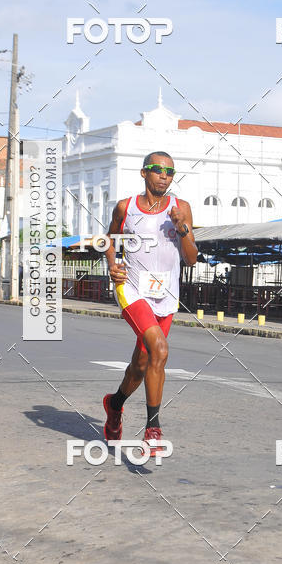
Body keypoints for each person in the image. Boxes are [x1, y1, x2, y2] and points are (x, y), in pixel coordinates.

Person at [102, 151, 197, 455]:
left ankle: (114, 404)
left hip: (166, 295)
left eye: (170, 171)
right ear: (144, 173)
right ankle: (153, 429)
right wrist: (112, 265)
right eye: (158, 170)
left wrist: (181, 228)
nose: (164, 176)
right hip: (132, 290)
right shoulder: (125, 207)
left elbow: (192, 258)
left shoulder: (181, 209)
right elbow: (109, 240)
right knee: (160, 349)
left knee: (142, 364)